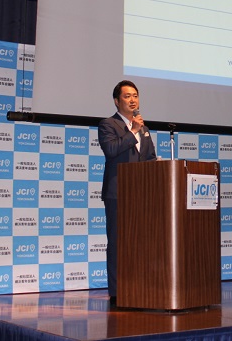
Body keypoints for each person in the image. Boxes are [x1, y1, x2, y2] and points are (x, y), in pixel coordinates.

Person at [98, 80, 157, 305]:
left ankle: (138, 286)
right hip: (118, 194)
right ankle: (117, 291)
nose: (133, 100)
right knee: (117, 243)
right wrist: (132, 132)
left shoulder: (145, 130)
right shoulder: (108, 124)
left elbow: (149, 158)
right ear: (117, 101)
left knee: (140, 243)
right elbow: (111, 150)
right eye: (127, 96)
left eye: (135, 96)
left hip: (141, 195)